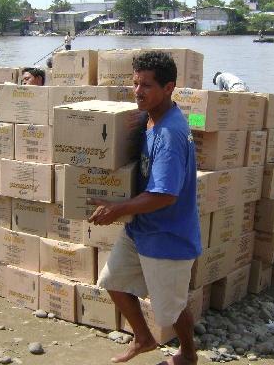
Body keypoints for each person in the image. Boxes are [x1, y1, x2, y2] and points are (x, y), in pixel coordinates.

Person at [89, 51, 201, 365]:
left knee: (172, 308)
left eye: (147, 85)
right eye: (135, 83)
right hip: (140, 228)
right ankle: (143, 338)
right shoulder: (150, 118)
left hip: (168, 235)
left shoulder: (170, 133)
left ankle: (188, 355)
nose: (138, 91)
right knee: (112, 281)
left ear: (169, 88)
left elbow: (165, 195)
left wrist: (117, 208)